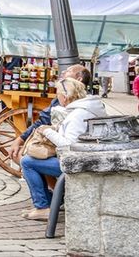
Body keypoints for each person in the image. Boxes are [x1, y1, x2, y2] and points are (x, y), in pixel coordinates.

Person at [19, 78, 107, 220]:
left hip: (78, 162)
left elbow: (68, 145)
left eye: (57, 93)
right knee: (36, 160)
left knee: (27, 162)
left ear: (65, 97)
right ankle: (51, 203)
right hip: (87, 157)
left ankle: (43, 206)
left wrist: (47, 131)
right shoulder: (86, 109)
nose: (56, 96)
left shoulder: (77, 115)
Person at [9, 64, 91, 160]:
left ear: (79, 79)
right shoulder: (88, 102)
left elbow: (45, 122)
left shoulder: (73, 105)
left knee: (26, 161)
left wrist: (21, 140)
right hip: (77, 150)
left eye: (68, 71)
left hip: (68, 153)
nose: (63, 72)